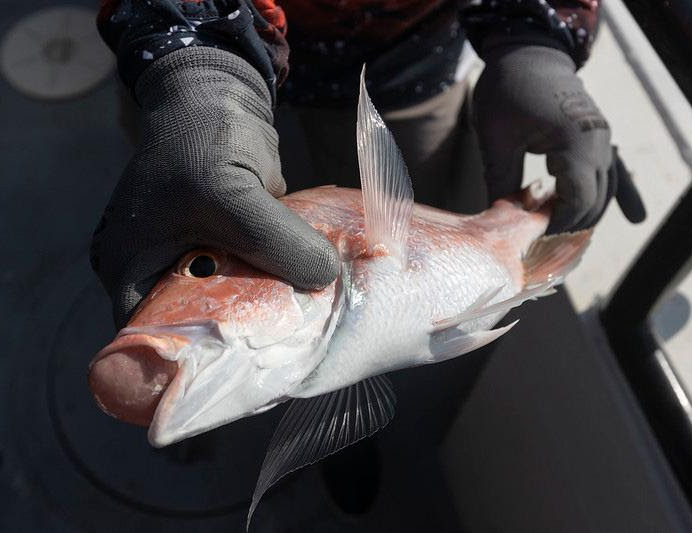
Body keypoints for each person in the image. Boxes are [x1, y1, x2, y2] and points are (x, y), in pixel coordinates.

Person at [91, 0, 644, 330]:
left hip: (407, 65)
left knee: (398, 270)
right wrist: (196, 62)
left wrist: (532, 33)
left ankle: (347, 439)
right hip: (186, 61)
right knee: (191, 207)